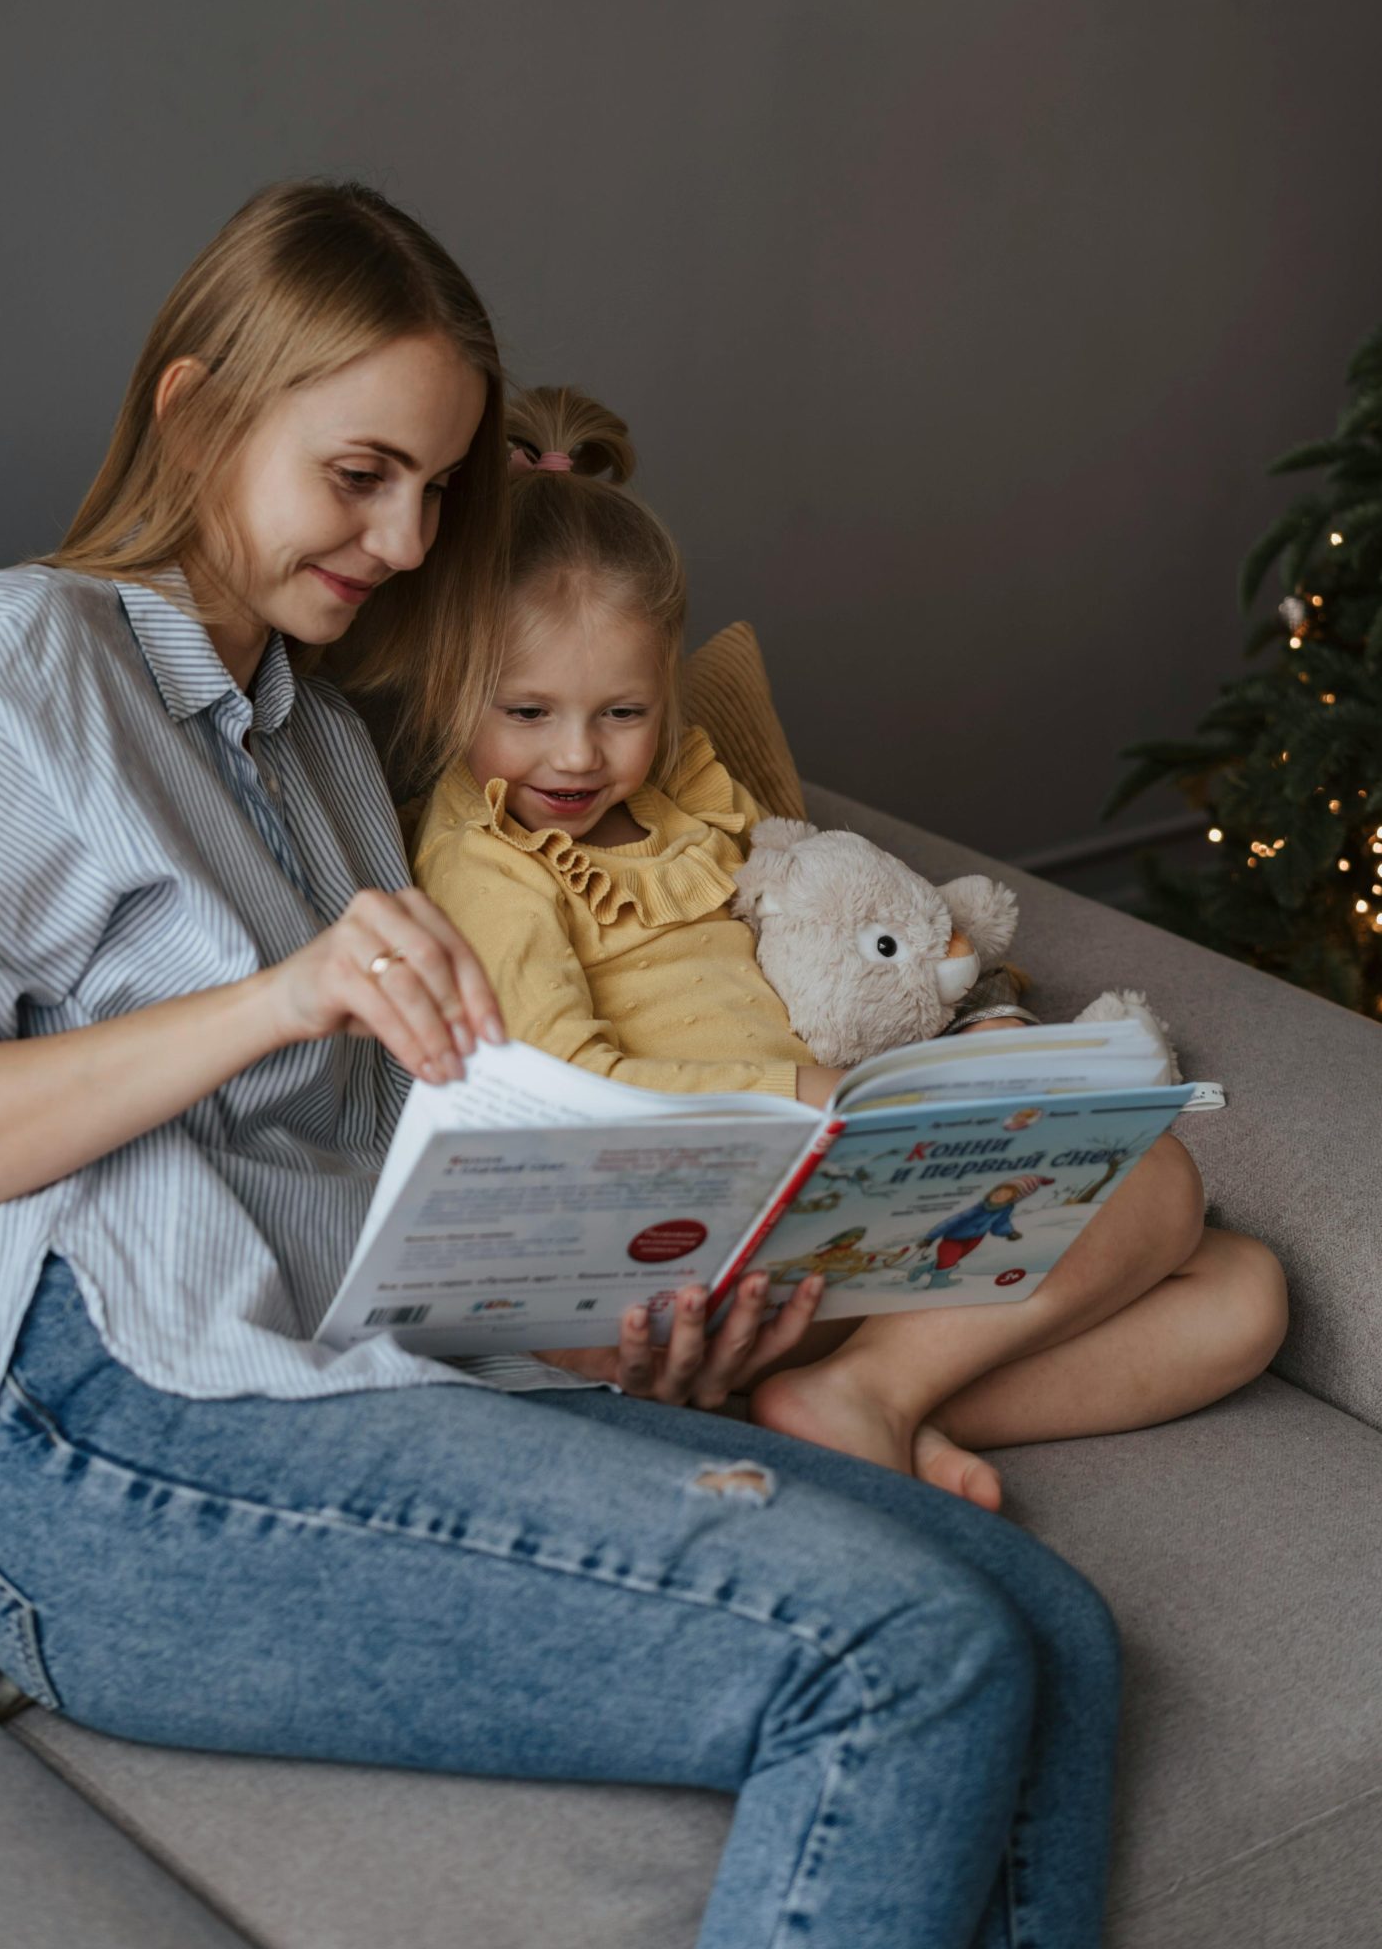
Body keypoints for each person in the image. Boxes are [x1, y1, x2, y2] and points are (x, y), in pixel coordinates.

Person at [0, 182, 1121, 1949]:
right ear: (194, 412)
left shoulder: (328, 757)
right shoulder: (1, 666)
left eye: (435, 490)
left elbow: (378, 1200)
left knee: (1051, 1629)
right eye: (361, 477)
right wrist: (280, 997)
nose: (409, 543)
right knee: (903, 1647)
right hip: (98, 1445)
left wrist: (617, 1325)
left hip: (349, 1383)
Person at [412, 385, 1289, 1506]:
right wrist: (805, 1091)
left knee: (1243, 1288)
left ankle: (876, 1398)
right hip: (699, 1233)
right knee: (1157, 1188)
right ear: (452, 676)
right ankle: (859, 1398)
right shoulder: (487, 852)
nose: (577, 757)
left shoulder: (690, 787)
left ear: (664, 684)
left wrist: (976, 1037)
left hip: (829, 1199)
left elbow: (828, 923)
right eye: (527, 711)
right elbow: (556, 1083)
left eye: (621, 712)